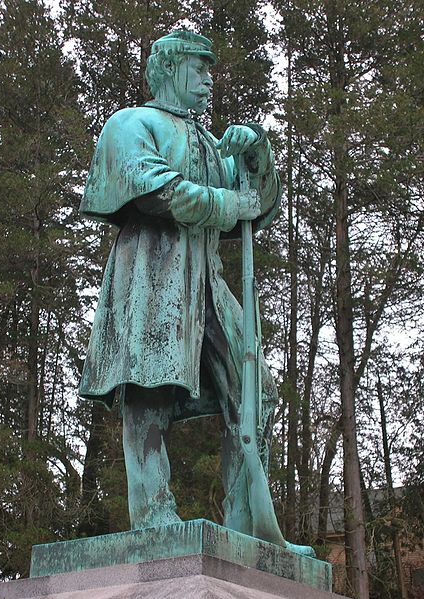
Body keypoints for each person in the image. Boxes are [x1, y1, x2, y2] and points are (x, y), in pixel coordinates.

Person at [79, 30, 313, 555]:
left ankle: (244, 528)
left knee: (254, 396)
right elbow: (156, 189)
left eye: (212, 69)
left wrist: (257, 154)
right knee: (148, 386)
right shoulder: (131, 124)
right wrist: (229, 203)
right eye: (199, 67)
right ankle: (154, 516)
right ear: (167, 67)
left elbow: (256, 201)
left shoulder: (209, 143)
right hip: (152, 277)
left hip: (206, 280)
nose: (210, 79)